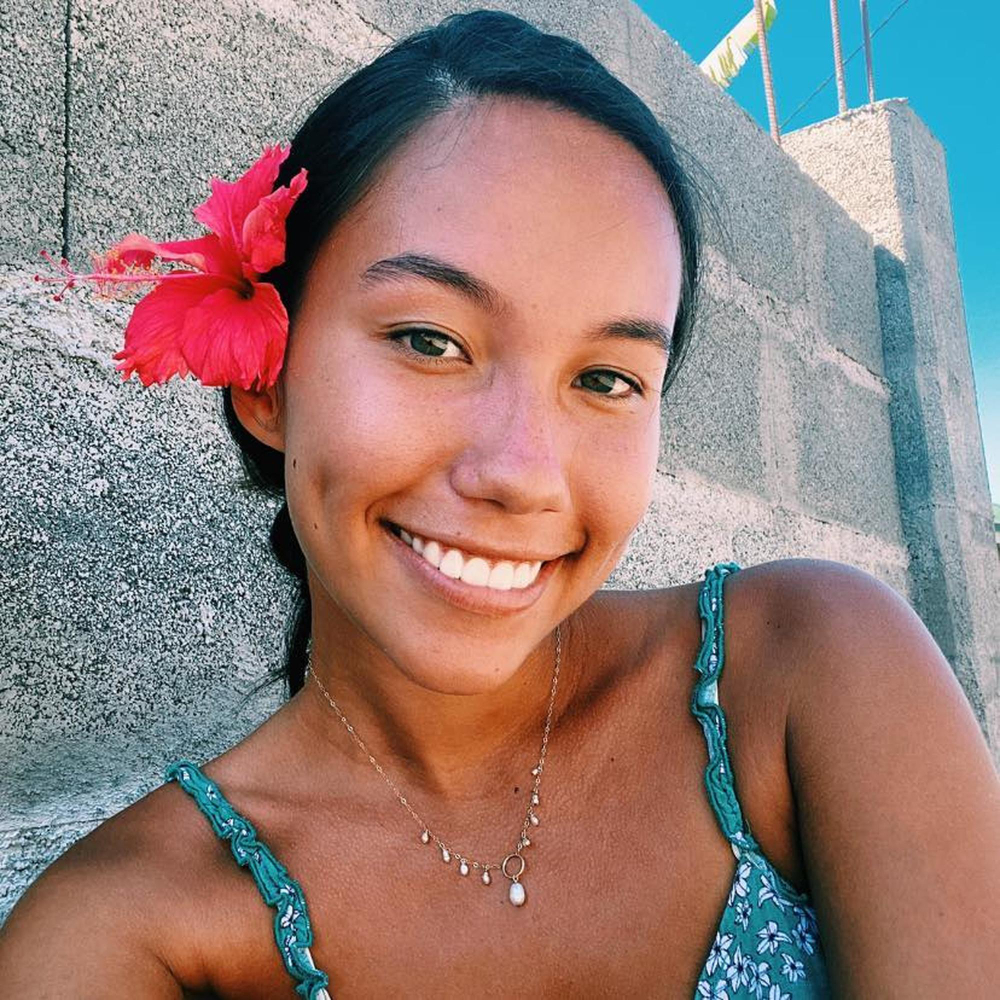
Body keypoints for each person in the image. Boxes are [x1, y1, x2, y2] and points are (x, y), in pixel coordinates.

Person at [2, 9, 998, 998]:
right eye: (431, 340)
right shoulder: (126, 934)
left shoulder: (809, 671)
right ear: (266, 378)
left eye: (606, 379)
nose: (523, 472)